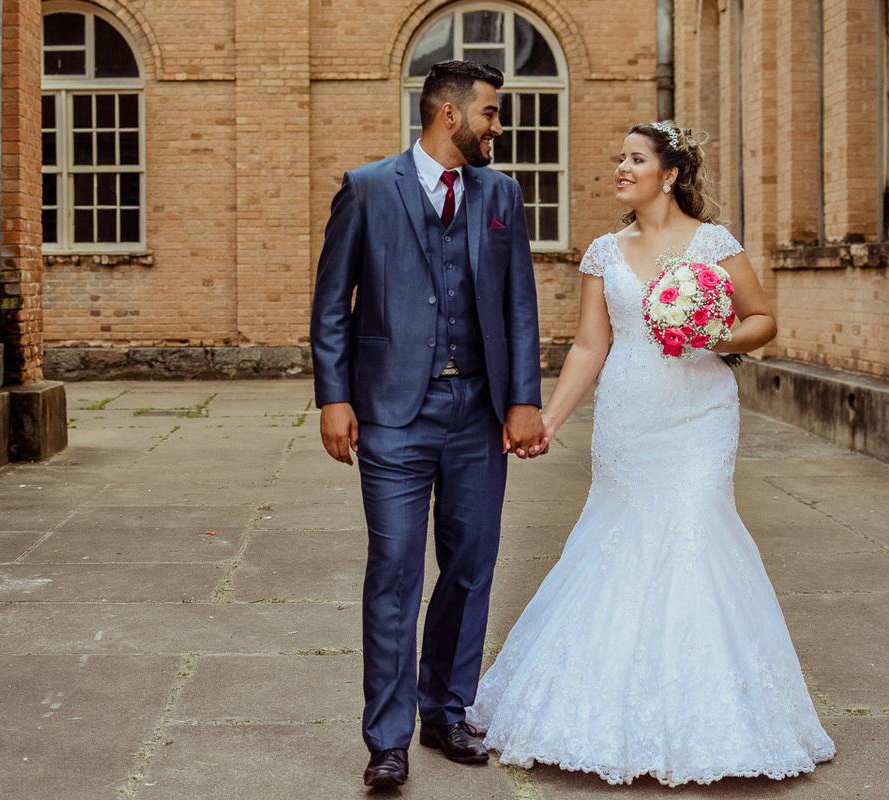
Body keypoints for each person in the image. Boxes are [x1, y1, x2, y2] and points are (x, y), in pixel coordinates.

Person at [466, 121, 837, 786]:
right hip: (629, 419)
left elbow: (762, 320)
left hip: (699, 415)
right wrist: (548, 420)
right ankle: (603, 714)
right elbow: (588, 344)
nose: (621, 167)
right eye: (620, 157)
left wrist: (714, 335)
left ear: (668, 174)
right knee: (620, 539)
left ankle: (714, 722)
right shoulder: (604, 252)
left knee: (695, 535)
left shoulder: (713, 244)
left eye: (635, 158)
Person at [310, 59, 546, 788]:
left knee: (471, 568)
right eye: (491, 115)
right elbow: (331, 304)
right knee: (395, 570)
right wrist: (333, 397)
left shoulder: (500, 193)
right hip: (390, 414)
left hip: (477, 412)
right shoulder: (368, 188)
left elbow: (518, 305)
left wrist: (523, 398)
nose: (498, 129)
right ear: (451, 116)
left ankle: (446, 710)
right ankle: (387, 740)